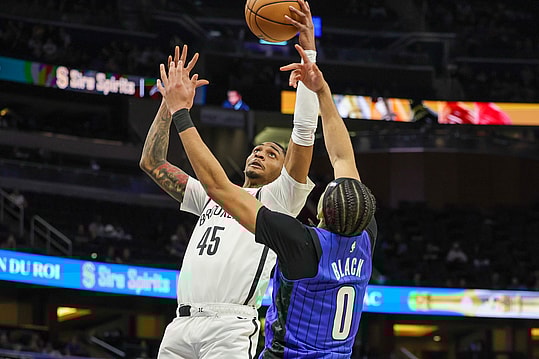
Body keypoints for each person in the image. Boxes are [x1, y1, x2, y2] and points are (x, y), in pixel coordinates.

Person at [157, 43, 377, 358]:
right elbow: (343, 159)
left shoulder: (300, 239)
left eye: (272, 152)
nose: (261, 153)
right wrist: (321, 89)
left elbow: (218, 186)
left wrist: (180, 112)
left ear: (320, 215)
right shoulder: (362, 235)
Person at [139, 2, 319, 357]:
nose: (259, 153)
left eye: (272, 153)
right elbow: (152, 162)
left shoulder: (281, 200)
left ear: (284, 172)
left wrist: (309, 53)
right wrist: (168, 102)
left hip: (231, 326)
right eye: (258, 149)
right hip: (180, 324)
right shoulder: (213, 197)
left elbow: (303, 131)